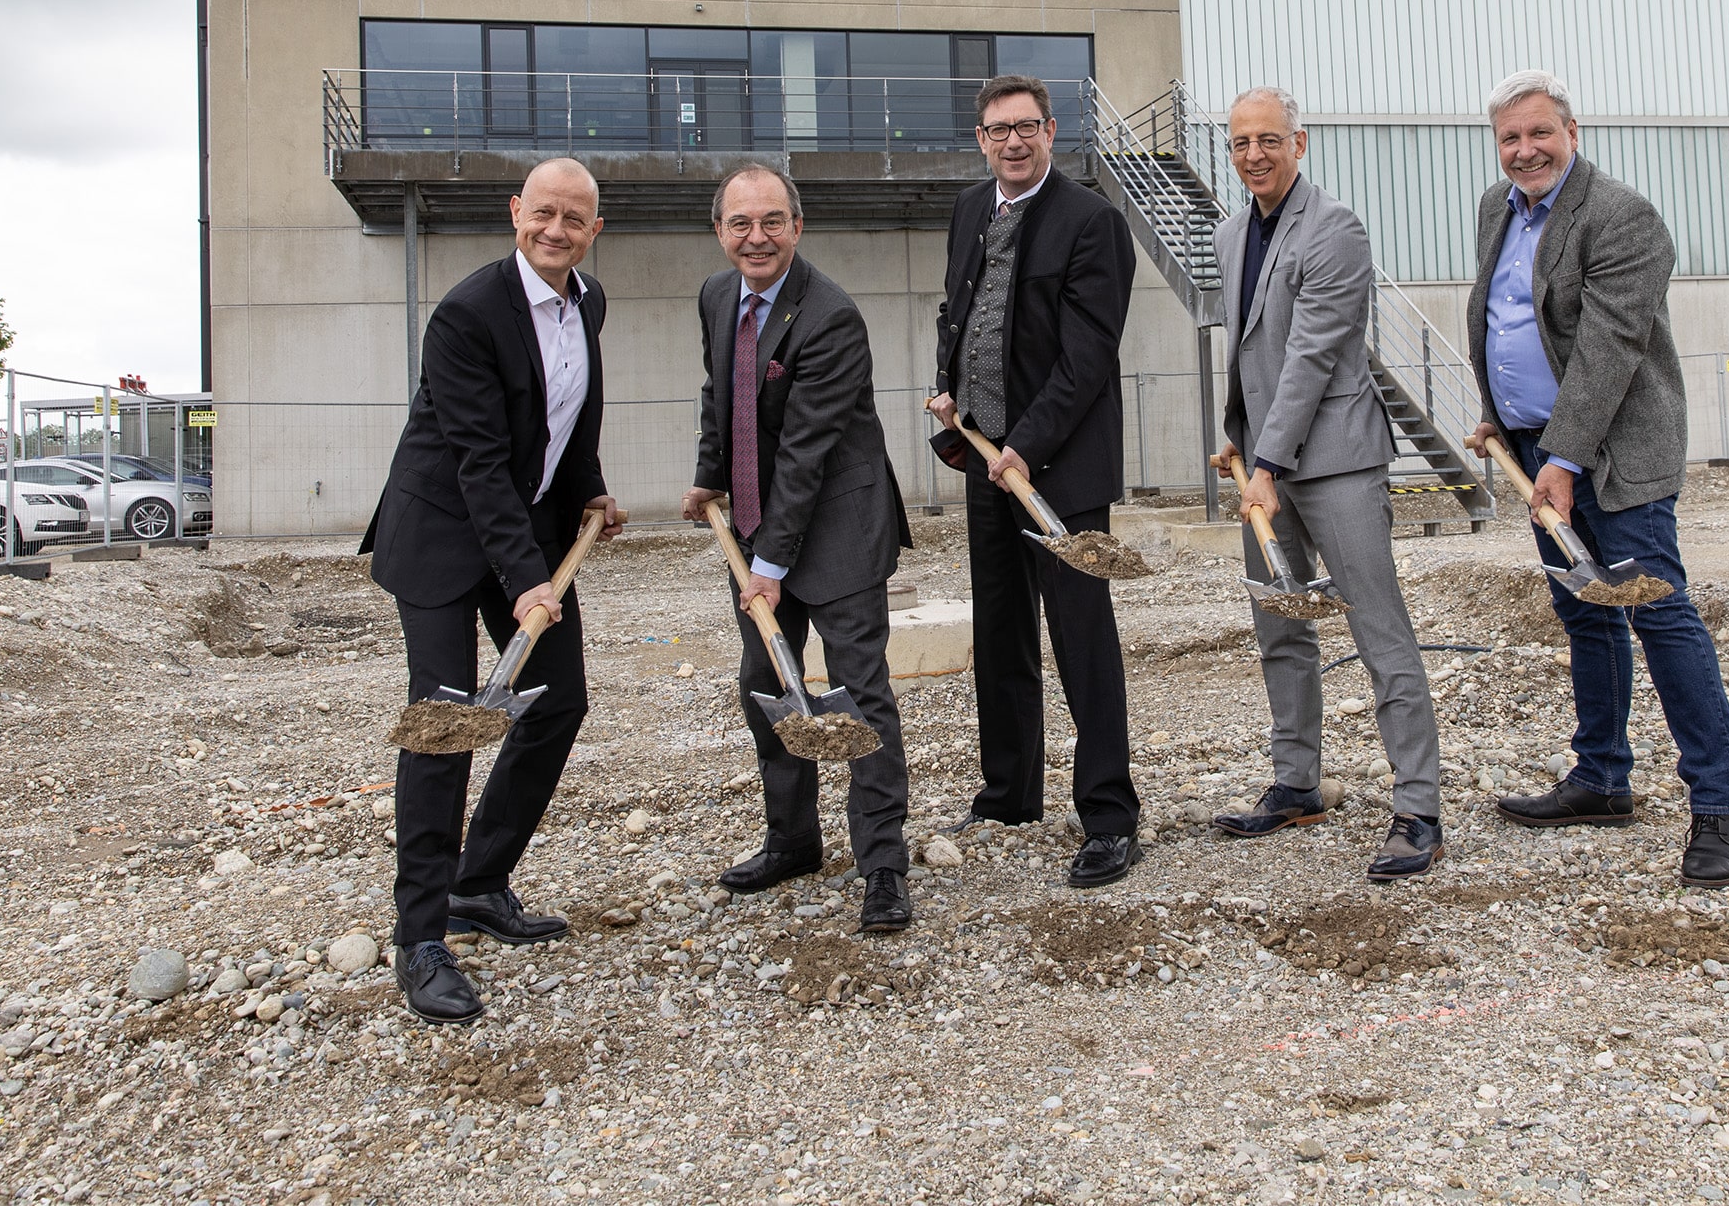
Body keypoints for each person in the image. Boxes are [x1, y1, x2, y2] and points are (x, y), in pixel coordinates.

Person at [361, 156, 627, 1022]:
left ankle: (479, 883)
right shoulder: (467, 312)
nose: (556, 229)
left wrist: (588, 486)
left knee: (558, 700)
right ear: (516, 212)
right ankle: (422, 935)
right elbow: (478, 462)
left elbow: (570, 416)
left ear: (595, 227)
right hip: (442, 533)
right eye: (542, 212)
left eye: (574, 218)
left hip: (533, 527)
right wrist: (525, 583)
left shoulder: (587, 302)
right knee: (444, 723)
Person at [1465, 70, 1729, 887]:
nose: (1525, 151)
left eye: (1539, 133)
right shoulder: (1497, 209)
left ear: (1572, 131)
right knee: (1584, 617)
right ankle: (1601, 777)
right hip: (1535, 450)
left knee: (1660, 618)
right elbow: (1504, 314)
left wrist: (1562, 458)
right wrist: (1499, 411)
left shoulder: (1624, 217)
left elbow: (1606, 351)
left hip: (1613, 459)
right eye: (1510, 138)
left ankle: (1718, 806)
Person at [1207, 87, 1447, 881]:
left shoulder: (1336, 229)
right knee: (1281, 628)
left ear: (1299, 144)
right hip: (1265, 466)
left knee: (1379, 631)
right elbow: (1249, 349)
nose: (1254, 155)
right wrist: (1239, 443)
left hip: (1334, 460)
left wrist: (1266, 466)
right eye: (1241, 141)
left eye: (1269, 140)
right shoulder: (1232, 229)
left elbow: (1311, 356)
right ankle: (1296, 782)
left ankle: (1418, 806)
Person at [683, 161, 917, 934]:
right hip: (755, 524)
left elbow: (806, 452)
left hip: (840, 529)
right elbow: (722, 394)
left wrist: (769, 568)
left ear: (798, 225)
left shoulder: (831, 316)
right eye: (741, 223)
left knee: (859, 695)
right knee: (767, 687)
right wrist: (707, 477)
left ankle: (882, 865)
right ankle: (793, 839)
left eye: (772, 221)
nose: (757, 237)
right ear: (719, 230)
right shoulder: (719, 295)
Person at [927, 74, 1143, 889]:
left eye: (1026, 127)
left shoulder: (1093, 222)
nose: (1011, 142)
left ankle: (1110, 815)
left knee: (1082, 636)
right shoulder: (970, 209)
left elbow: (1088, 357)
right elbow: (963, 312)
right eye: (995, 130)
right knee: (1002, 630)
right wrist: (952, 392)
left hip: (1062, 472)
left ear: (1052, 131)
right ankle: (1011, 790)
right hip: (988, 461)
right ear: (980, 139)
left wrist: (1028, 443)